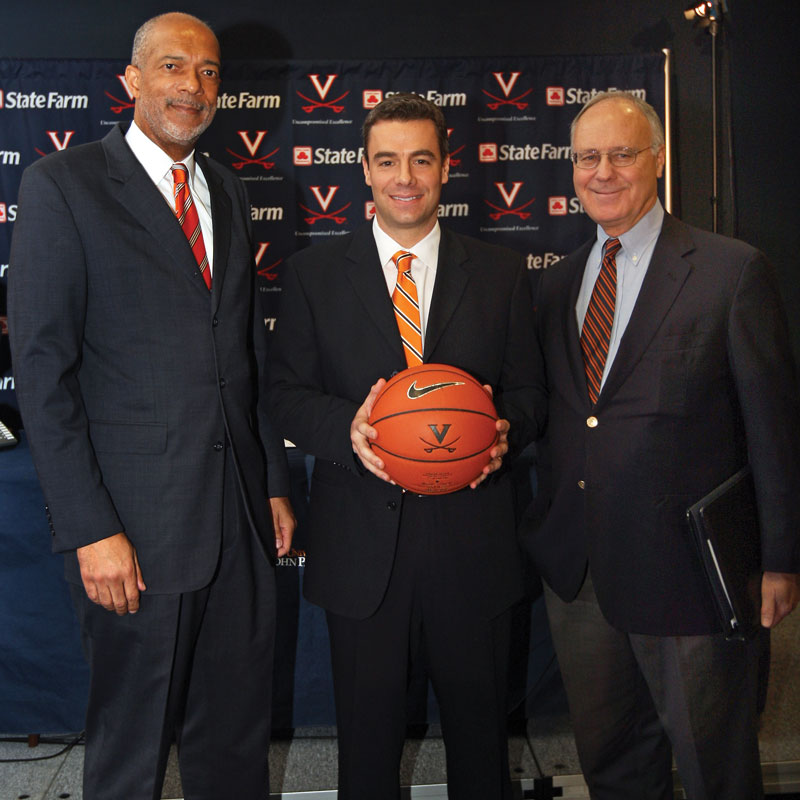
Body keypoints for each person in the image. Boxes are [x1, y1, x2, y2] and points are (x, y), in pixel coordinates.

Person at [8, 12, 295, 800]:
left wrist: (267, 481)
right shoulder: (62, 185)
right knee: (131, 754)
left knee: (235, 745)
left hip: (235, 519)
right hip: (131, 530)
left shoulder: (228, 188)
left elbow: (245, 355)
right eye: (173, 67)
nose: (192, 87)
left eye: (207, 72)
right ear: (131, 81)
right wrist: (92, 528)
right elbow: (43, 373)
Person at [522, 90, 800, 799]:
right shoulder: (554, 287)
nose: (603, 171)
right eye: (588, 157)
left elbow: (774, 430)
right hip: (582, 581)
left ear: (659, 158)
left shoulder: (730, 272)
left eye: (621, 153)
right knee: (614, 767)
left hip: (691, 579)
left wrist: (781, 561)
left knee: (715, 768)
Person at [269, 93, 544, 799]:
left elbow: (531, 395)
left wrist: (502, 431)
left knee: (482, 754)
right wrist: (349, 431)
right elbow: (286, 394)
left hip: (475, 551)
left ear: (446, 166)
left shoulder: (503, 274)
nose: (405, 177)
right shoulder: (311, 276)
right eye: (387, 160)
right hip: (362, 555)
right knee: (366, 759)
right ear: (363, 168)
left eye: (421, 159)